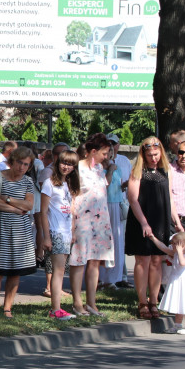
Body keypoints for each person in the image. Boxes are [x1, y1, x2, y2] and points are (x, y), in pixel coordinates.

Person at [125, 136, 183, 320]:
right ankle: (142, 302)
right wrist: (143, 223)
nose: (153, 158)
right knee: (143, 261)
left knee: (157, 261)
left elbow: (170, 198)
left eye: (156, 154)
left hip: (161, 220)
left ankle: (153, 301)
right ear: (143, 154)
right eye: (149, 154)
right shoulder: (138, 171)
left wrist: (177, 221)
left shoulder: (166, 171)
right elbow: (133, 199)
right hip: (142, 219)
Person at [0, 146, 36, 319]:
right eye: (20, 163)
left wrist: (6, 198)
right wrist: (15, 208)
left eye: (26, 165)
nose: (22, 167)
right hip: (0, 228)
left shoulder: (28, 181)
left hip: (21, 231)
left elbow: (29, 205)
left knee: (16, 271)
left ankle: (7, 308)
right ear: (12, 161)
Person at [69, 133, 116, 317]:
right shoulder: (77, 168)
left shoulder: (98, 170)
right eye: (104, 153)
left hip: (100, 221)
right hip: (82, 220)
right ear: (93, 151)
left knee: (95, 261)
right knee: (79, 260)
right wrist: (72, 222)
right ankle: (77, 302)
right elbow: (72, 195)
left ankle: (91, 302)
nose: (107, 157)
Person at [41, 150, 80, 320]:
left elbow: (70, 210)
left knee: (61, 270)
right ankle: (55, 309)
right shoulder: (49, 183)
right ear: (58, 163)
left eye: (71, 164)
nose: (67, 167)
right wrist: (46, 237)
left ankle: (57, 308)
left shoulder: (68, 185)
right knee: (58, 271)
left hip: (65, 233)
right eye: (64, 162)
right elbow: (43, 212)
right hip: (55, 231)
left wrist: (72, 231)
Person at [148, 231, 185, 334]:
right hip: (177, 283)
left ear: (184, 246)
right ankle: (177, 325)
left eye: (175, 244)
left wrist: (179, 252)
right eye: (173, 243)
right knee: (179, 305)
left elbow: (183, 263)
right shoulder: (175, 254)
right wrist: (153, 238)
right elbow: (163, 248)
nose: (172, 245)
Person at [98, 141, 127, 289]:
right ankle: (99, 277)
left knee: (116, 241)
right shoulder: (99, 169)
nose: (109, 155)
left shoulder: (117, 168)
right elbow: (105, 184)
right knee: (103, 241)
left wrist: (124, 186)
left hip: (115, 204)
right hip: (103, 206)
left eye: (110, 152)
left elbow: (116, 186)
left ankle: (112, 278)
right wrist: (109, 169)